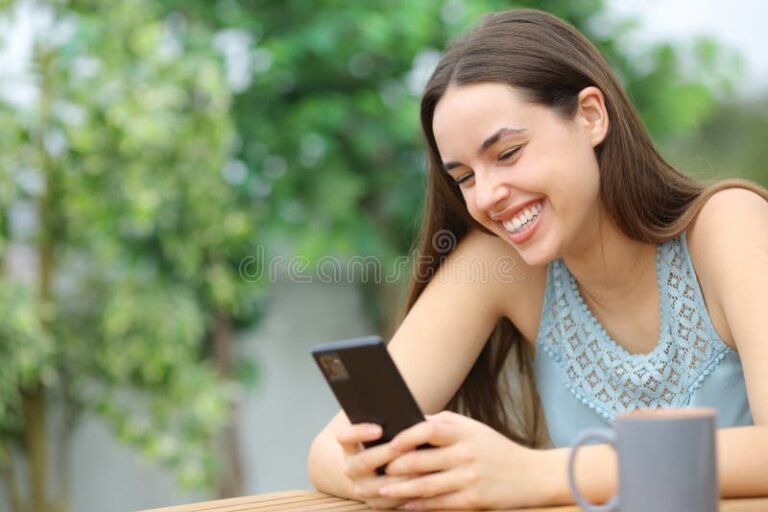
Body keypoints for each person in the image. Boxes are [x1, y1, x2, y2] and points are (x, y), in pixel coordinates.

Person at [307, 8, 768, 510]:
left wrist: (537, 473)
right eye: (464, 178)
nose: (486, 196)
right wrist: (390, 475)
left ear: (590, 116)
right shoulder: (504, 265)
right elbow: (329, 451)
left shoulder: (729, 226)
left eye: (507, 153)